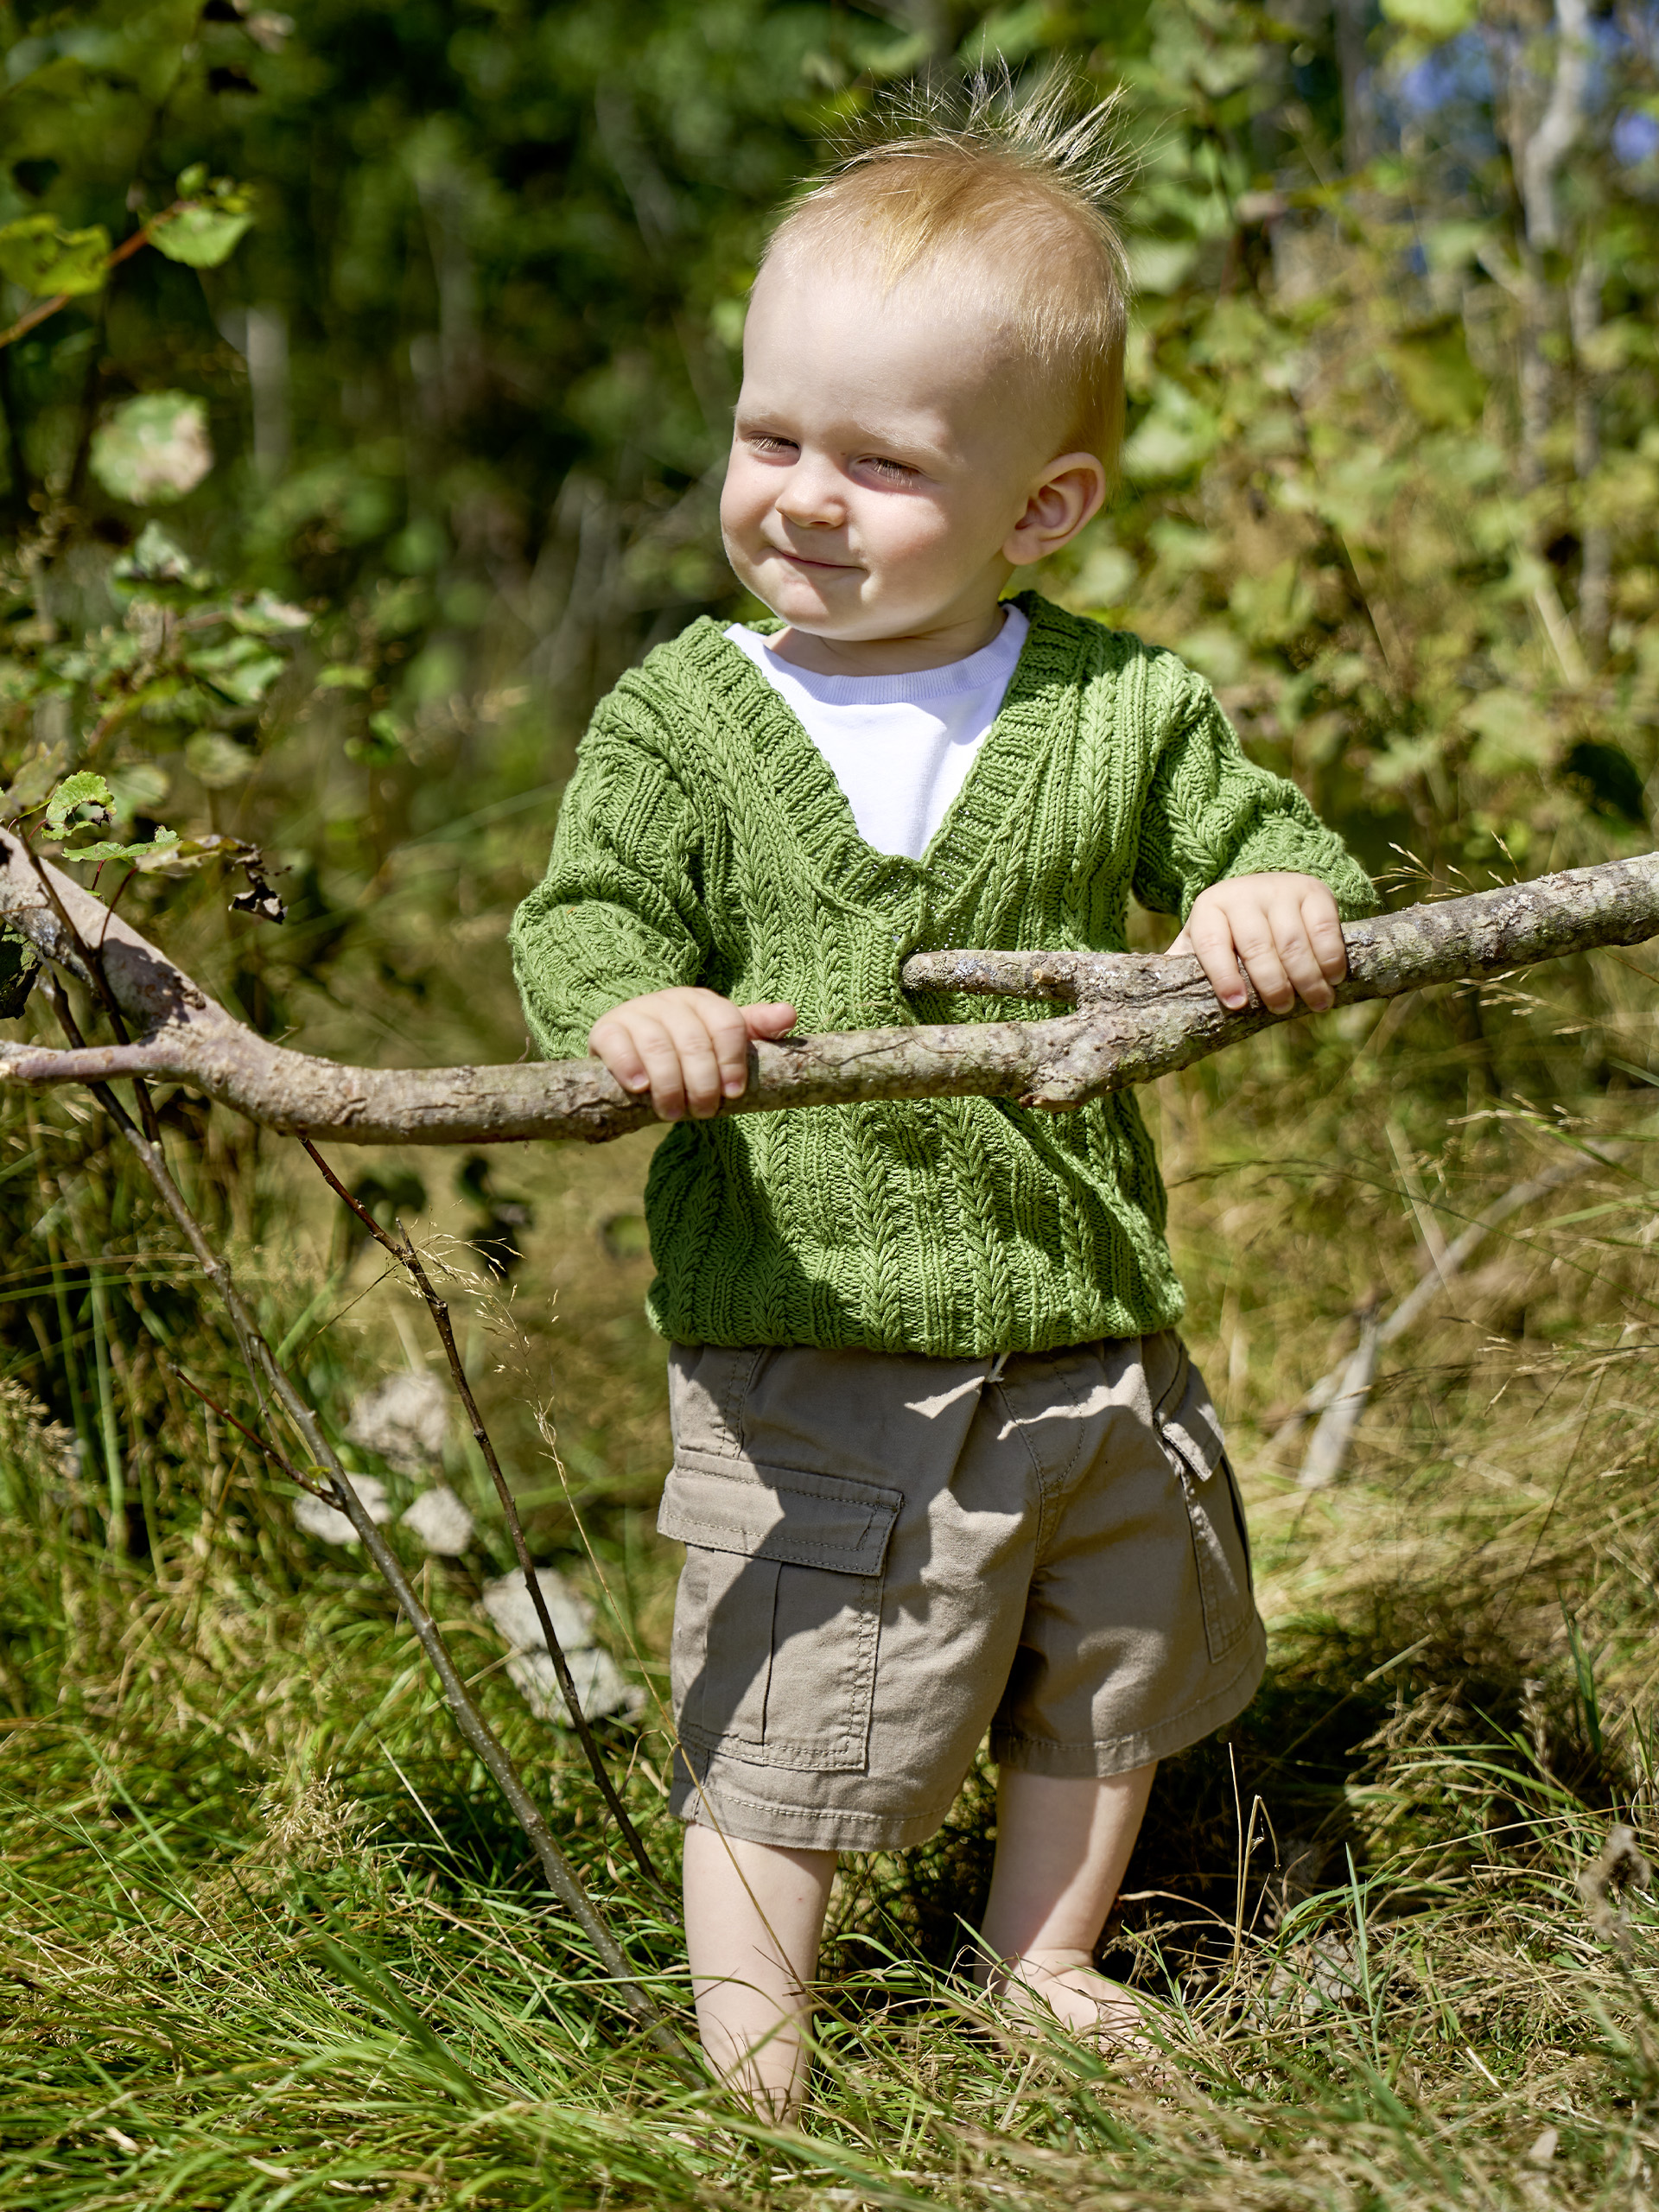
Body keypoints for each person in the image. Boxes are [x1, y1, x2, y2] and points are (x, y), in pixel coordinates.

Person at [511, 77, 1376, 2119]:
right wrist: (640, 1001)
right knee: (794, 1697)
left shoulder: (1122, 703)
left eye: (878, 463)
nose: (803, 495)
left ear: (1039, 507)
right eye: (768, 435)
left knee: (1120, 1650)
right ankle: (758, 2048)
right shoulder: (689, 713)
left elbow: (1266, 834)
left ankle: (1042, 1958)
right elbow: (586, 913)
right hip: (812, 1330)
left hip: (1088, 1318)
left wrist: (1270, 891)